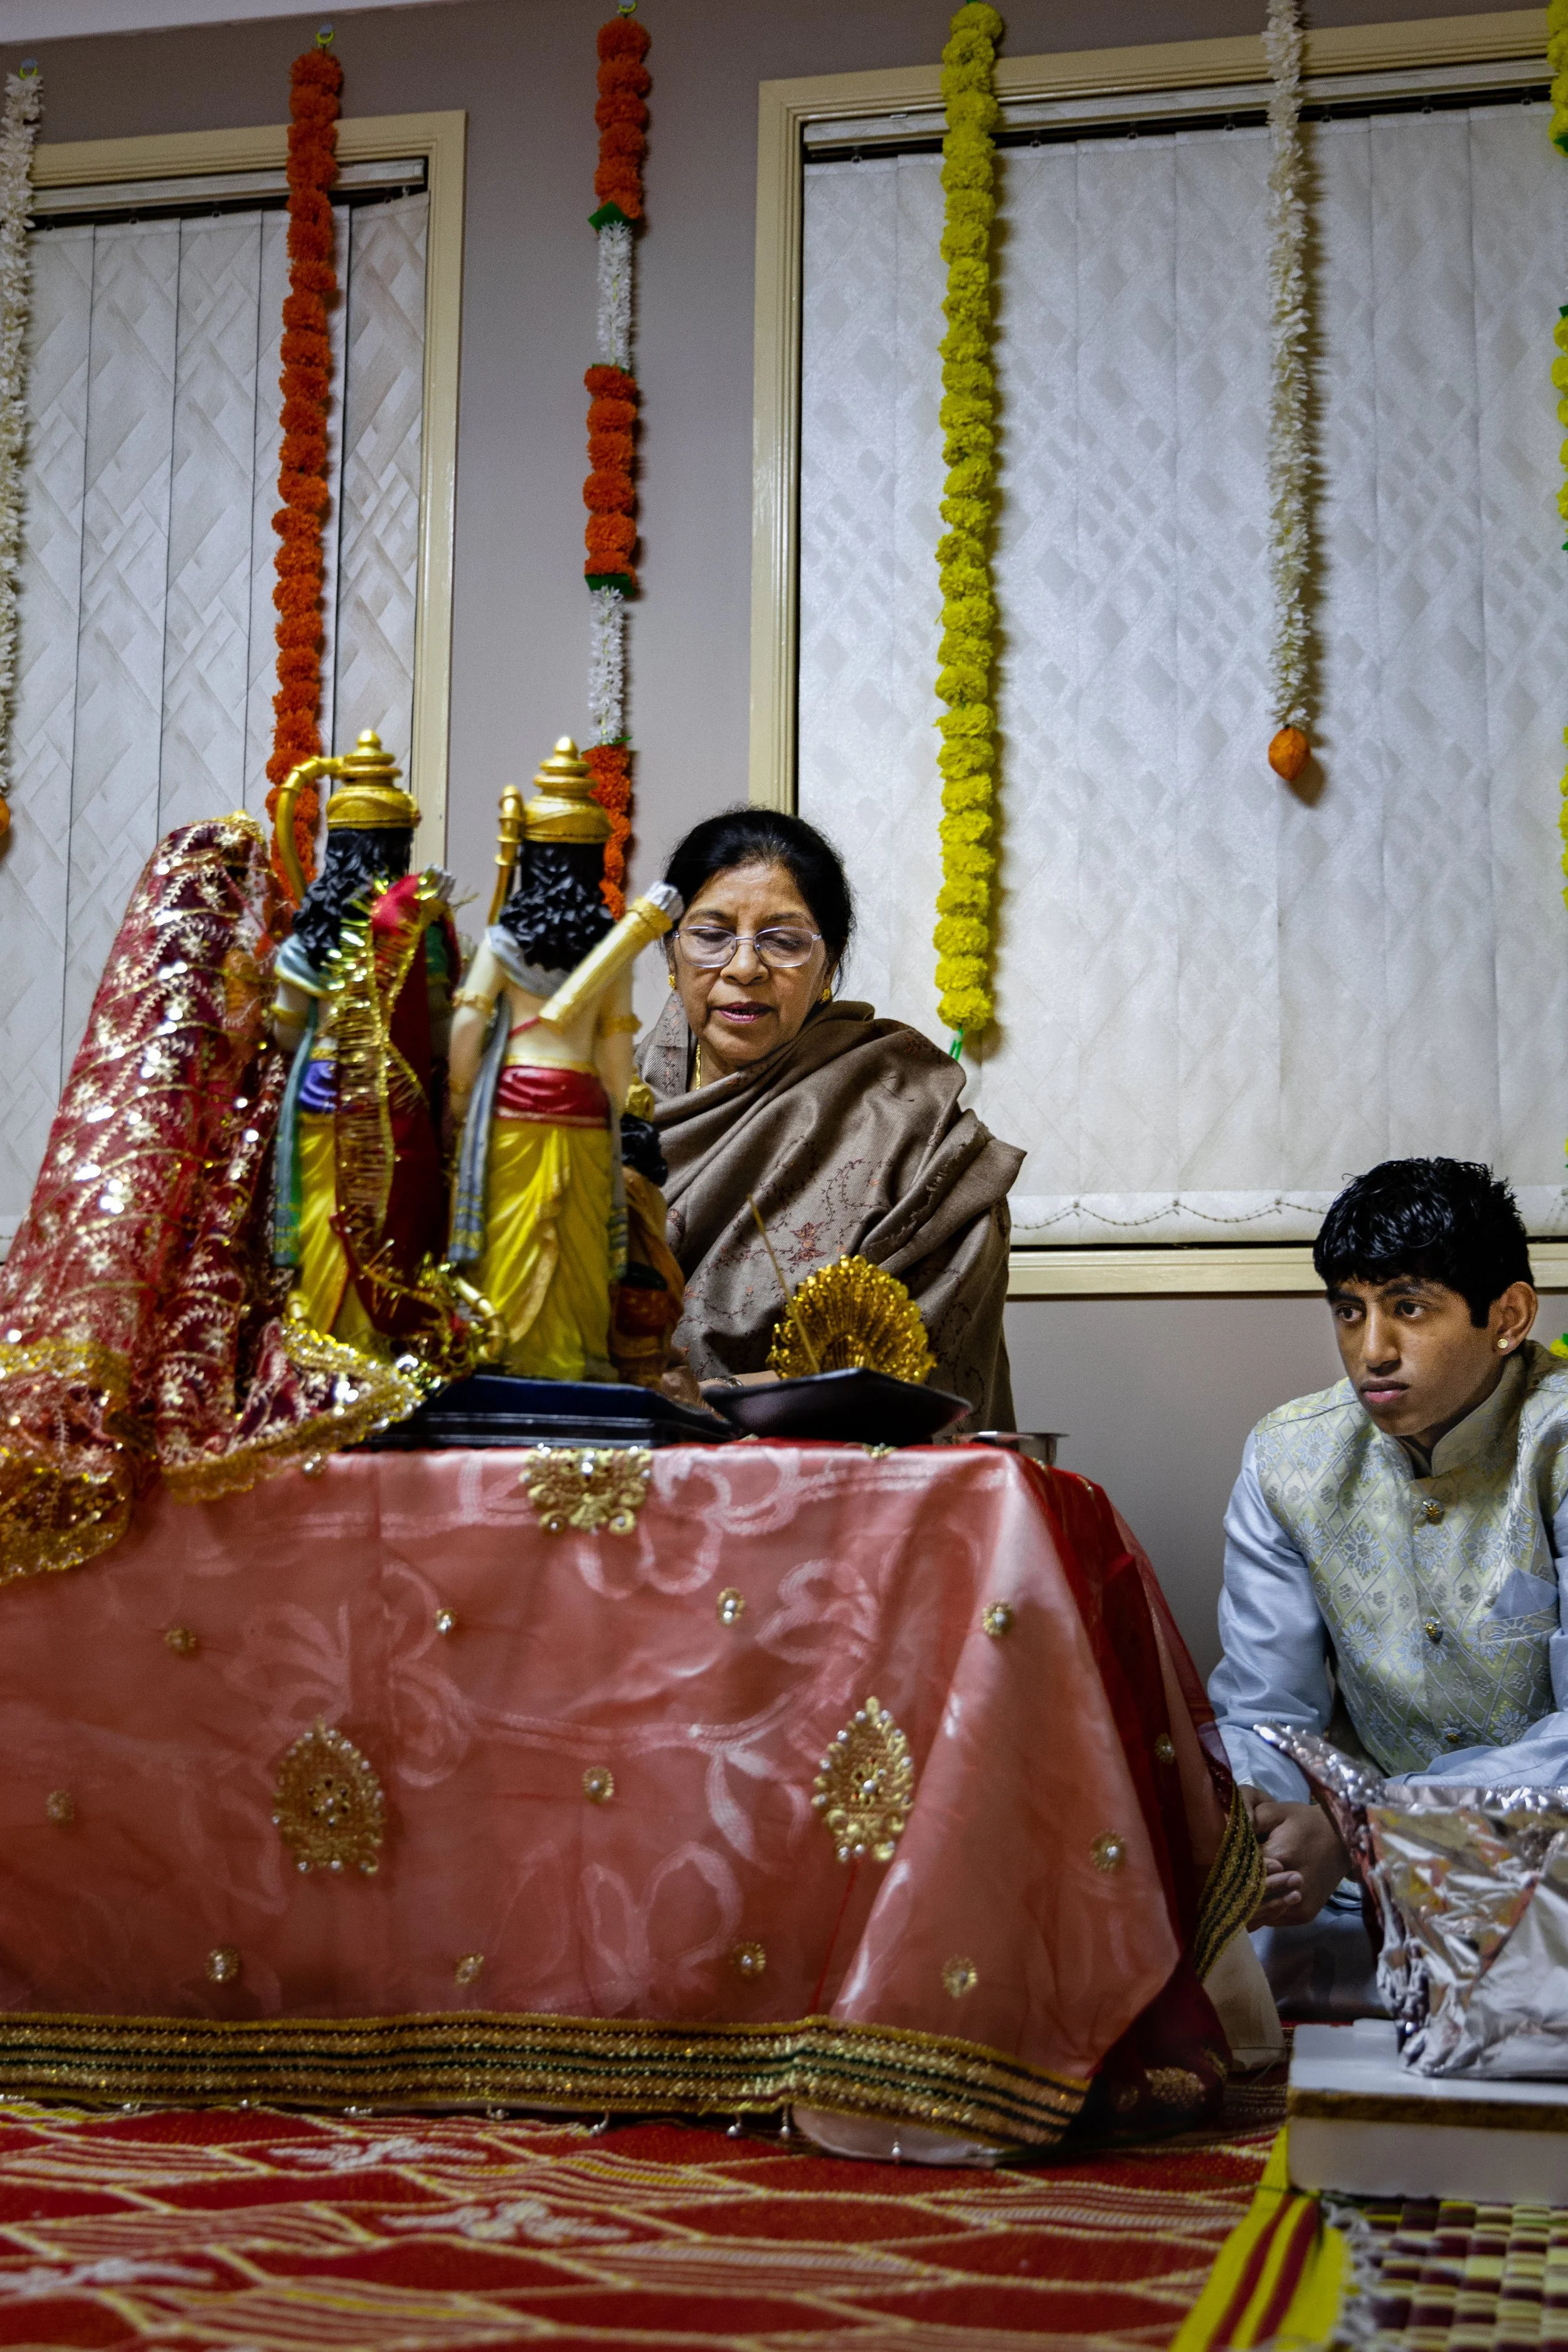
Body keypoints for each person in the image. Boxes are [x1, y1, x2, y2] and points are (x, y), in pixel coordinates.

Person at [1208, 1156, 1568, 2013]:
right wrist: (1283, 1841)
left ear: (1508, 1315)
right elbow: (1267, 1712)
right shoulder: (1289, 1458)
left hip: (1550, 1856)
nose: (1371, 1349)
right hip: (1347, 1883)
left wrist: (1370, 1825)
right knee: (1206, 1962)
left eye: (1409, 1306)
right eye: (1349, 1310)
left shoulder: (1557, 1443)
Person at [637, 808, 1023, 1424]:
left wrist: (708, 1401)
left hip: (834, 1485)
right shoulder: (594, 1108)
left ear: (828, 964)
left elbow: (901, 1364)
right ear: (670, 950)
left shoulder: (904, 1122)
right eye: (711, 935)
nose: (743, 968)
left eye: (783, 941)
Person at [447, 739, 648, 1383]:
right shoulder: (611, 947)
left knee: (510, 1235)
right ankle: (574, 1359)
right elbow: (616, 1050)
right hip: (583, 1105)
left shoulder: (504, 941)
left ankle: (502, 1354)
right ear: (593, 862)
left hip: (509, 1100)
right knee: (578, 1243)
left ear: (531, 856)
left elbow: (469, 1021)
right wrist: (617, 1107)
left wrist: (457, 1097)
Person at [269, 733, 462, 1365]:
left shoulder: (309, 934)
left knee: (324, 1219)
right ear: (398, 850)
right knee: (389, 1214)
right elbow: (437, 1034)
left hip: (319, 1085)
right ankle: (374, 1344)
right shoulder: (418, 923)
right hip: (393, 1095)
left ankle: (319, 1341)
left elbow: (286, 1031)